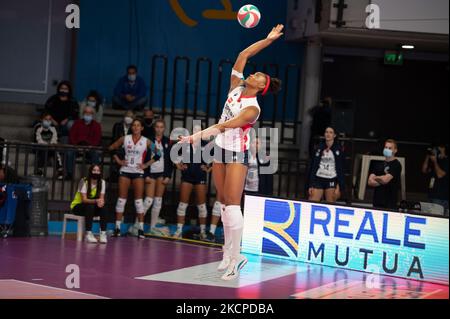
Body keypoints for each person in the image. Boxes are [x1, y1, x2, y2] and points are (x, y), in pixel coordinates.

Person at [178, 25, 283, 281]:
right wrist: (268, 40)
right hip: (220, 150)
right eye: (256, 72)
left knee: (233, 206)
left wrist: (196, 136)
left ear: (261, 88)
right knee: (223, 205)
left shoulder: (252, 109)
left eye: (260, 76)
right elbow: (243, 54)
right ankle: (227, 253)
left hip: (237, 154)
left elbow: (224, 125)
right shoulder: (236, 87)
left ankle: (238, 257)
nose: (255, 73)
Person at [109, 119, 157, 239]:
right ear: (132, 127)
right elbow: (111, 148)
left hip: (138, 172)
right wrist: (119, 160)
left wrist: (146, 165)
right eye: (134, 125)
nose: (135, 127)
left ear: (142, 128)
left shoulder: (146, 141)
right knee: (121, 200)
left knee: (138, 201)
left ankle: (140, 229)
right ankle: (117, 228)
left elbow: (159, 153)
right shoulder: (125, 138)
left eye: (138, 125)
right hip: (125, 171)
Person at [173, 124, 214, 241]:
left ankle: (202, 233)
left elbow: (216, 159)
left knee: (202, 207)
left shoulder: (206, 145)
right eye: (195, 129)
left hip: (200, 177)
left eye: (199, 130)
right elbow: (174, 153)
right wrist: (178, 165)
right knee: (182, 205)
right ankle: (179, 231)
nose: (197, 131)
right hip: (187, 177)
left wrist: (209, 168)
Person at [141, 119, 173, 237]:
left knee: (158, 201)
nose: (159, 129)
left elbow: (170, 160)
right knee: (148, 200)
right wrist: (146, 174)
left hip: (161, 174)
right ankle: (137, 224)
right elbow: (143, 158)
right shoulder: (149, 140)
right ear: (154, 128)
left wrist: (168, 175)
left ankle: (152, 227)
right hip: (150, 173)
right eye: (157, 127)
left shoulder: (167, 141)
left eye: (161, 127)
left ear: (164, 128)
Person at [70, 164, 108, 244]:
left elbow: (101, 198)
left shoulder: (102, 182)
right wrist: (96, 201)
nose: (96, 172)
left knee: (104, 208)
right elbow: (84, 200)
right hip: (78, 206)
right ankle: (89, 233)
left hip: (92, 207)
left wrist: (101, 202)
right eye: (94, 170)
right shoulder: (83, 181)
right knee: (90, 206)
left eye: (98, 171)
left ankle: (103, 233)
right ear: (90, 171)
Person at [306, 127, 345, 203]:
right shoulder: (319, 148)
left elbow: (341, 169)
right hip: (318, 178)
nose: (328, 134)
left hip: (331, 179)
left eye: (331, 132)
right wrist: (310, 184)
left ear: (334, 135)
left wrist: (339, 186)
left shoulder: (338, 149)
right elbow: (313, 166)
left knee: (331, 204)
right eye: (326, 132)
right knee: (311, 203)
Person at [66, 106, 102, 180]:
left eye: (90, 113)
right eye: (86, 112)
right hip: (77, 147)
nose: (88, 114)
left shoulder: (97, 125)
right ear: (83, 113)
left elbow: (97, 139)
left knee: (95, 154)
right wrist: (76, 146)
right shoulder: (77, 123)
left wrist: (90, 147)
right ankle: (69, 174)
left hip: (90, 148)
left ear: (93, 114)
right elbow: (72, 136)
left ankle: (94, 175)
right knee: (69, 152)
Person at [368, 139, 402, 210]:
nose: (387, 149)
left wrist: (376, 178)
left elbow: (385, 180)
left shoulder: (396, 165)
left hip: (390, 205)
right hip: (376, 203)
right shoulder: (378, 164)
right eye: (386, 147)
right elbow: (370, 182)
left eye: (390, 148)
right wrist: (381, 179)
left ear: (395, 150)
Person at [34, 112, 63, 179]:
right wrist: (46, 145)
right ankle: (39, 170)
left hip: (51, 147)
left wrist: (52, 144)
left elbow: (55, 139)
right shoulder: (38, 128)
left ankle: (59, 170)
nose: (48, 121)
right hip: (41, 147)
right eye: (46, 119)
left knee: (56, 152)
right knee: (44, 151)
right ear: (41, 119)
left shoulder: (53, 129)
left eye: (49, 119)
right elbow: (38, 140)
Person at [422, 143, 448, 216]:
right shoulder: (435, 161)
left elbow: (440, 175)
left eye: (437, 149)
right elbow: (424, 170)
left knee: (437, 218)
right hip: (431, 195)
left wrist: (435, 162)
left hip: (441, 197)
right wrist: (428, 156)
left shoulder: (446, 161)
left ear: (443, 149)